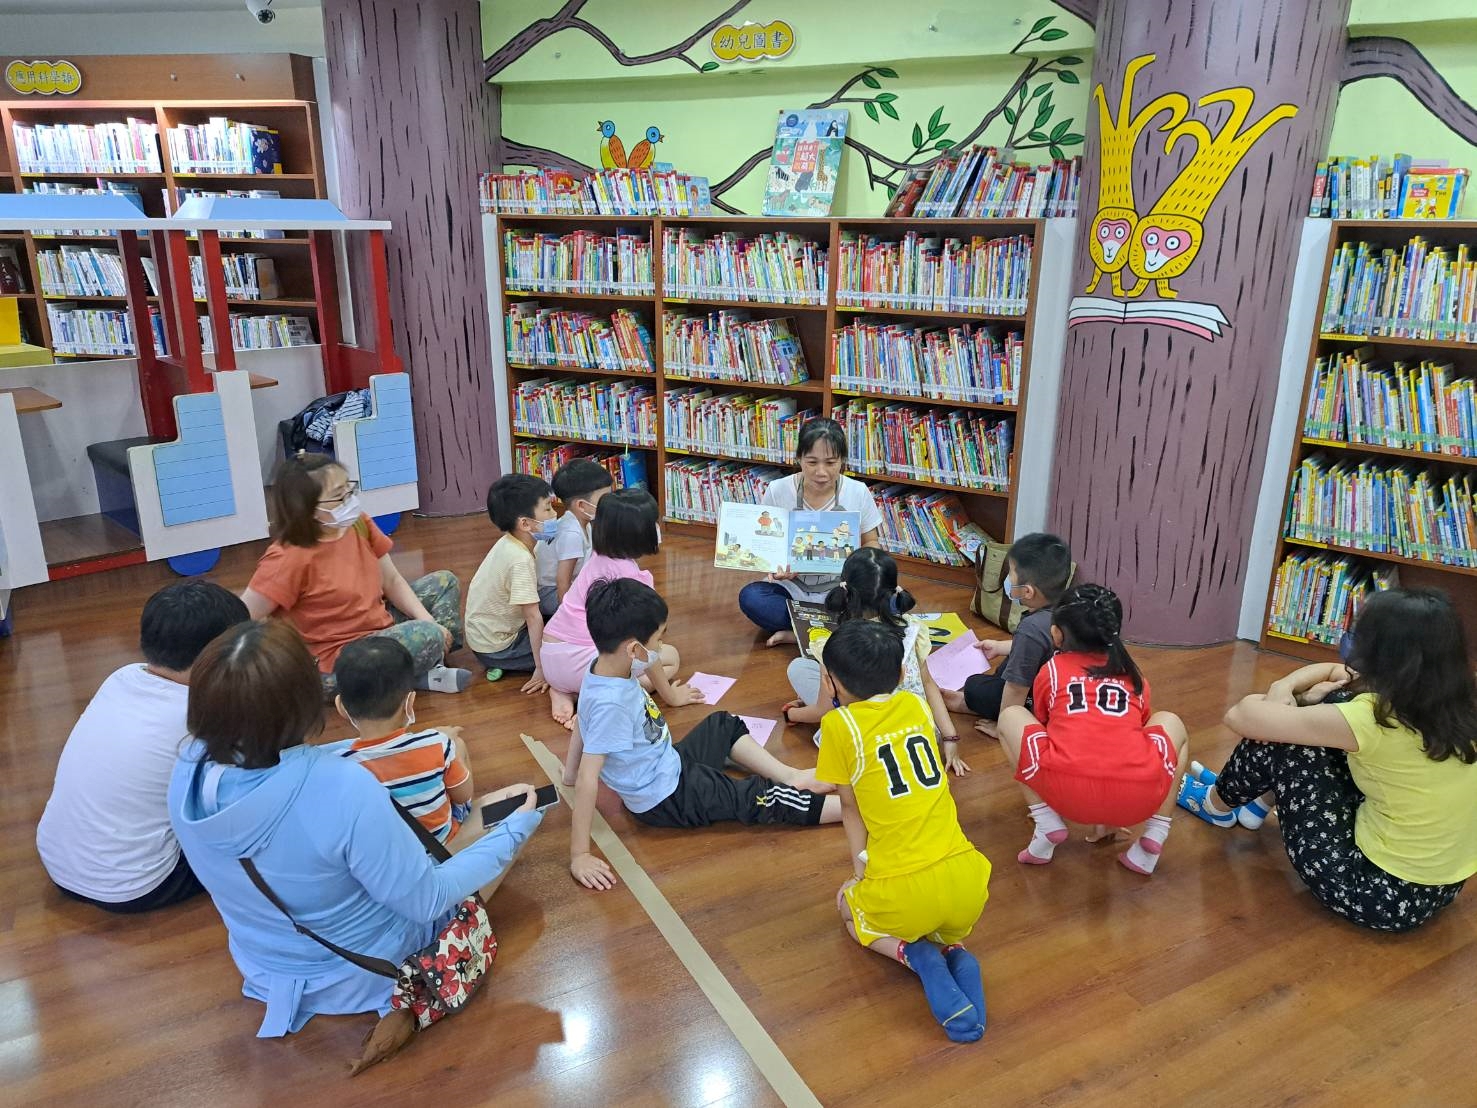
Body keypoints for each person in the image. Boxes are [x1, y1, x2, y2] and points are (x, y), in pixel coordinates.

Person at [168, 620, 544, 1038]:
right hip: (366, 970)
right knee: (516, 805)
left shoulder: (188, 771)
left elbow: (296, 765)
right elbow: (427, 900)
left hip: (264, 961)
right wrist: (514, 831)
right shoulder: (345, 786)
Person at [1179, 588, 1477, 932]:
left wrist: (1284, 694)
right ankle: (1254, 806)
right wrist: (1290, 688)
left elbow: (1239, 716)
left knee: (1290, 740)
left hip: (1372, 892)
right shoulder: (1461, 700)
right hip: (1439, 889)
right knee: (1323, 707)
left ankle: (1216, 805)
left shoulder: (1371, 718)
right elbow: (1336, 672)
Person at [563, 578, 840, 891]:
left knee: (722, 724)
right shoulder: (610, 704)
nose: (659, 648)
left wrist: (671, 696)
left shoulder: (602, 664)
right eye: (657, 640)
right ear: (633, 649)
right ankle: (848, 810)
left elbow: (584, 720)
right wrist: (579, 854)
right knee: (755, 797)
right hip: (667, 798)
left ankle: (790, 776)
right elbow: (589, 777)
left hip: (669, 763)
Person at [816, 621, 992, 1043]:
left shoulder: (840, 726)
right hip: (968, 881)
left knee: (846, 908)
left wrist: (859, 875)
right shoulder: (915, 705)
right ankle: (953, 949)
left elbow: (850, 808)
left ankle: (913, 956)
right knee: (936, 919)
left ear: (830, 681)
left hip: (903, 890)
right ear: (900, 674)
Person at [36, 582, 249, 913]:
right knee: (253, 831)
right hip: (137, 886)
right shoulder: (203, 713)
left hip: (57, 863)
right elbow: (249, 787)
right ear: (219, 656)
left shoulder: (121, 676)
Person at [995, 584, 1190, 875]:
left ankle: (1046, 821)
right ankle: (1155, 834)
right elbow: (1132, 733)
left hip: (1067, 796)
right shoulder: (1134, 674)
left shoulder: (1052, 670)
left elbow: (1045, 726)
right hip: (1139, 801)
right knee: (1171, 721)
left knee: (1010, 716)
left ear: (1057, 634)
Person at [241, 453, 469, 694]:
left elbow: (391, 580)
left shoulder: (358, 524)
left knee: (444, 582)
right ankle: (420, 668)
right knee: (427, 634)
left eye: (348, 490)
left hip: (379, 626)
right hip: (340, 661)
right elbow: (243, 616)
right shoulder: (287, 557)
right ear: (307, 508)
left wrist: (428, 621)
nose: (349, 501)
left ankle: (417, 668)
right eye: (338, 496)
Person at [783, 547, 968, 776]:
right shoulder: (913, 629)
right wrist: (950, 737)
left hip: (866, 742)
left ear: (846, 590)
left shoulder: (836, 643)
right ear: (894, 590)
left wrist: (792, 715)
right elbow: (928, 684)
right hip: (920, 731)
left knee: (799, 667)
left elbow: (824, 710)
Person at [540, 488, 701, 728]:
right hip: (585, 666)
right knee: (670, 658)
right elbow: (646, 649)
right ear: (640, 533)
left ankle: (565, 691)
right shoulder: (632, 582)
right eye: (653, 523)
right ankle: (590, 698)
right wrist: (671, 697)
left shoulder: (597, 555)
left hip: (551, 659)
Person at [737, 418, 884, 646]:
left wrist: (855, 566)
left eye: (831, 463)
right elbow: (765, 545)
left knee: (882, 595)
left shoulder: (857, 492)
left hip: (840, 589)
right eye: (812, 462)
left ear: (842, 460)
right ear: (799, 458)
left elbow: (872, 542)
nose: (821, 472)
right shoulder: (778, 490)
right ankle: (830, 630)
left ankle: (798, 633)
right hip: (792, 587)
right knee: (752, 598)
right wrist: (777, 567)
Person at [335, 638, 475, 844]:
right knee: (458, 745)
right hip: (443, 844)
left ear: (341, 706)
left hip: (388, 856)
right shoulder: (437, 744)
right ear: (410, 702)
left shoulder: (337, 765)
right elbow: (463, 796)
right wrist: (448, 745)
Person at [942, 533, 1072, 736]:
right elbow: (1045, 647)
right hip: (1063, 693)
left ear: (1027, 592)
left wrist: (1004, 729)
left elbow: (1017, 688)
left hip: (1038, 701)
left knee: (974, 686)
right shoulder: (1070, 609)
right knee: (1007, 665)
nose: (1008, 580)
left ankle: (974, 707)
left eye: (1010, 574)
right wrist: (999, 647)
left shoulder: (1031, 628)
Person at [466, 473, 557, 690]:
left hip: (488, 637)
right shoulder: (519, 560)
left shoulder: (510, 542)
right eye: (547, 509)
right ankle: (508, 663)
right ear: (525, 523)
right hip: (499, 647)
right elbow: (532, 617)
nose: (555, 514)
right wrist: (541, 668)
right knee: (566, 646)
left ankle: (505, 665)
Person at [533, 459, 614, 618]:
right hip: (550, 593)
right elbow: (563, 583)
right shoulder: (572, 534)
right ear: (581, 505)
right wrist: (569, 618)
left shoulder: (583, 522)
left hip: (567, 585)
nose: (610, 504)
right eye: (604, 500)